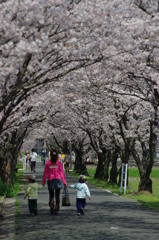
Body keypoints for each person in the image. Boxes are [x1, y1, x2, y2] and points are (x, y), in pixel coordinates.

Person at [42, 148, 67, 215]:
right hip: (58, 180)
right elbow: (62, 173)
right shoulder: (59, 163)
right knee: (57, 195)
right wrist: (64, 182)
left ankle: (52, 204)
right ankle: (56, 208)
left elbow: (45, 173)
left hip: (50, 180)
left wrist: (43, 182)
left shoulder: (48, 163)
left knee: (51, 195)